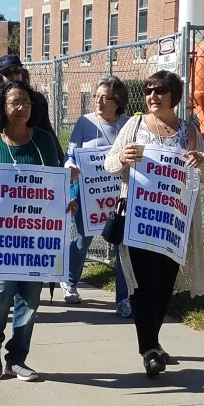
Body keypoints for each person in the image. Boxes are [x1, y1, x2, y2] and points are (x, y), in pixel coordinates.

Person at [104, 70, 204, 377]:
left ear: (174, 97)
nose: (153, 97)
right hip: (137, 217)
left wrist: (202, 162)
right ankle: (150, 348)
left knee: (164, 281)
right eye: (149, 91)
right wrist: (123, 159)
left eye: (160, 91)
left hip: (174, 222)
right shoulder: (135, 125)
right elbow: (110, 165)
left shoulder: (189, 130)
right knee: (141, 283)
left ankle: (153, 341)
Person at [0, 80, 76, 382]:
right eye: (15, 101)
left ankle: (17, 358)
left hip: (38, 238)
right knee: (1, 291)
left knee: (30, 298)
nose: (22, 107)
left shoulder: (43, 141)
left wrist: (68, 201)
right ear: (2, 106)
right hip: (1, 236)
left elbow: (56, 184)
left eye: (26, 102)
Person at [63, 76, 131, 315]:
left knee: (122, 245)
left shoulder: (129, 124)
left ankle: (123, 298)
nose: (99, 101)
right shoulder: (85, 123)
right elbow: (70, 155)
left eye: (106, 97)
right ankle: (70, 281)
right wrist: (69, 168)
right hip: (87, 194)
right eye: (96, 96)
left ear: (118, 101)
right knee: (83, 240)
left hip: (120, 195)